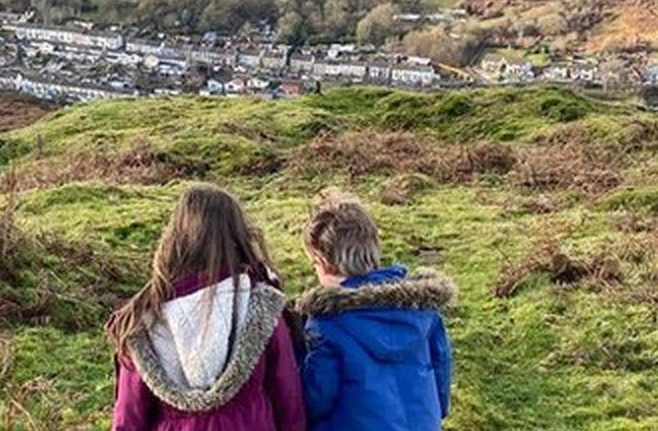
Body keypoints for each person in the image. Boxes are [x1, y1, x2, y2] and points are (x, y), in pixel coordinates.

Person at [109, 184, 306, 431]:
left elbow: (129, 418)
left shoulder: (144, 320)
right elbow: (287, 399)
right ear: (237, 236)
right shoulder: (261, 307)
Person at [297, 189, 455, 430]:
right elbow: (441, 376)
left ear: (323, 263)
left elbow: (316, 399)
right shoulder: (423, 310)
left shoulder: (328, 324)